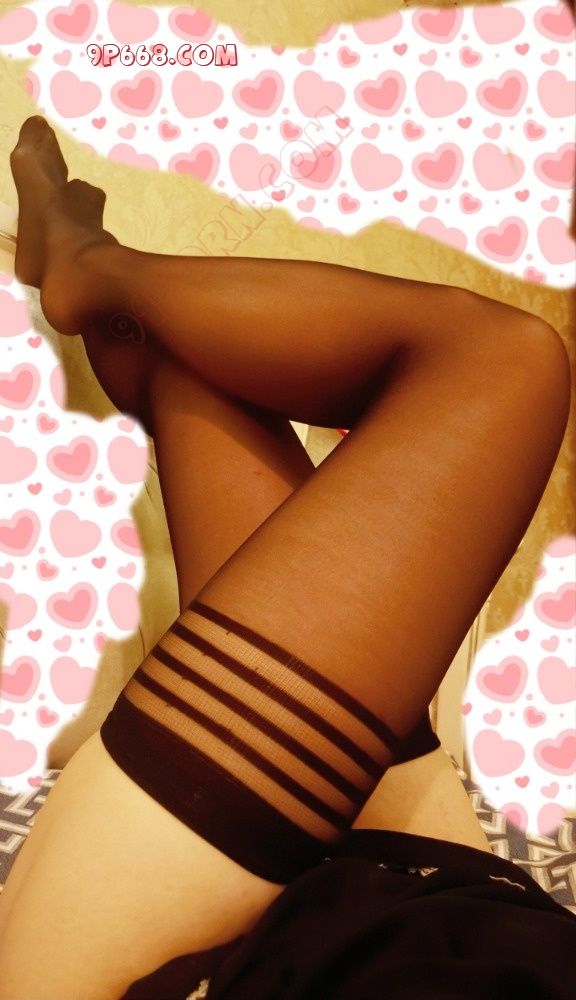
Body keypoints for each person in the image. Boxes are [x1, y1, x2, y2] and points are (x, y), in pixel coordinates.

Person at [0, 116, 573, 999]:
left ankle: (93, 270)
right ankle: (108, 297)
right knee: (201, 376)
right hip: (463, 906)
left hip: (296, 971)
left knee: (503, 360)